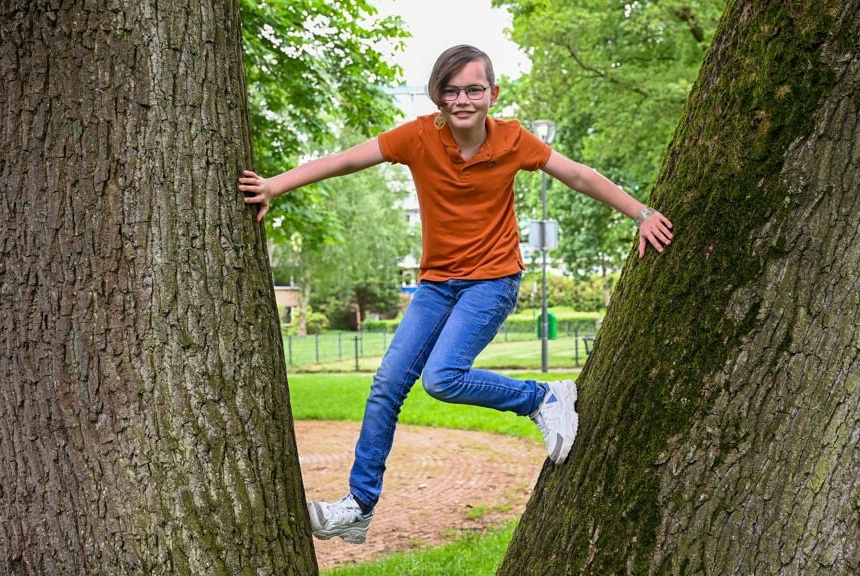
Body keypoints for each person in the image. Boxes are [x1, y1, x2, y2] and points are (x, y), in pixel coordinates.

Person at [238, 45, 674, 544]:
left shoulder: (513, 141)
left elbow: (577, 174)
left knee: (443, 378)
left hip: (492, 281)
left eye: (473, 88)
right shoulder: (419, 136)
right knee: (386, 386)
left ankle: (544, 396)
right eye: (451, 89)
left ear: (493, 93)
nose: (462, 99)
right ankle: (358, 507)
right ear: (438, 95)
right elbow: (344, 161)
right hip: (436, 286)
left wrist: (642, 214)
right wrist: (275, 185)